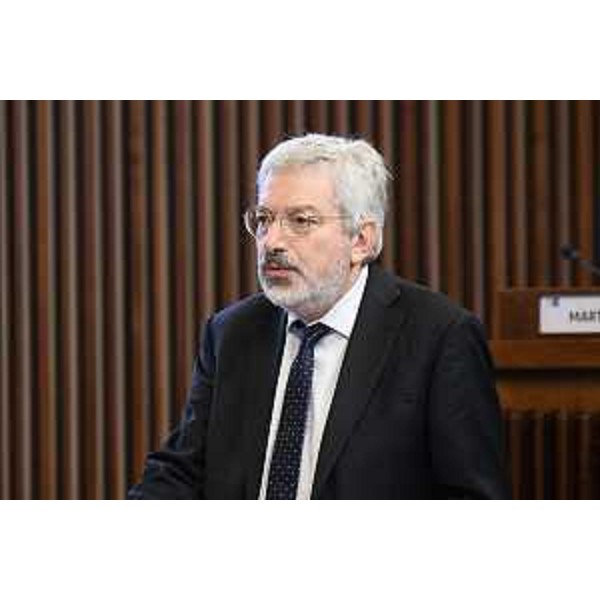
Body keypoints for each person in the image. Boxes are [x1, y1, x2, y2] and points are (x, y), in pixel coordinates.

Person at [129, 133, 509, 499]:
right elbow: (183, 471)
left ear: (361, 240)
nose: (271, 241)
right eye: (264, 219)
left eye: (301, 221)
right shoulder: (232, 332)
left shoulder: (439, 337)